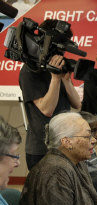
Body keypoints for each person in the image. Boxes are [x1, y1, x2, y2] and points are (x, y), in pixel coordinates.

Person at [19, 19, 82, 170]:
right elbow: (47, 109)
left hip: (64, 144)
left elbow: (77, 104)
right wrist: (55, 78)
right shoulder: (30, 70)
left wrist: (66, 81)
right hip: (42, 149)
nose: (62, 51)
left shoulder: (58, 67)